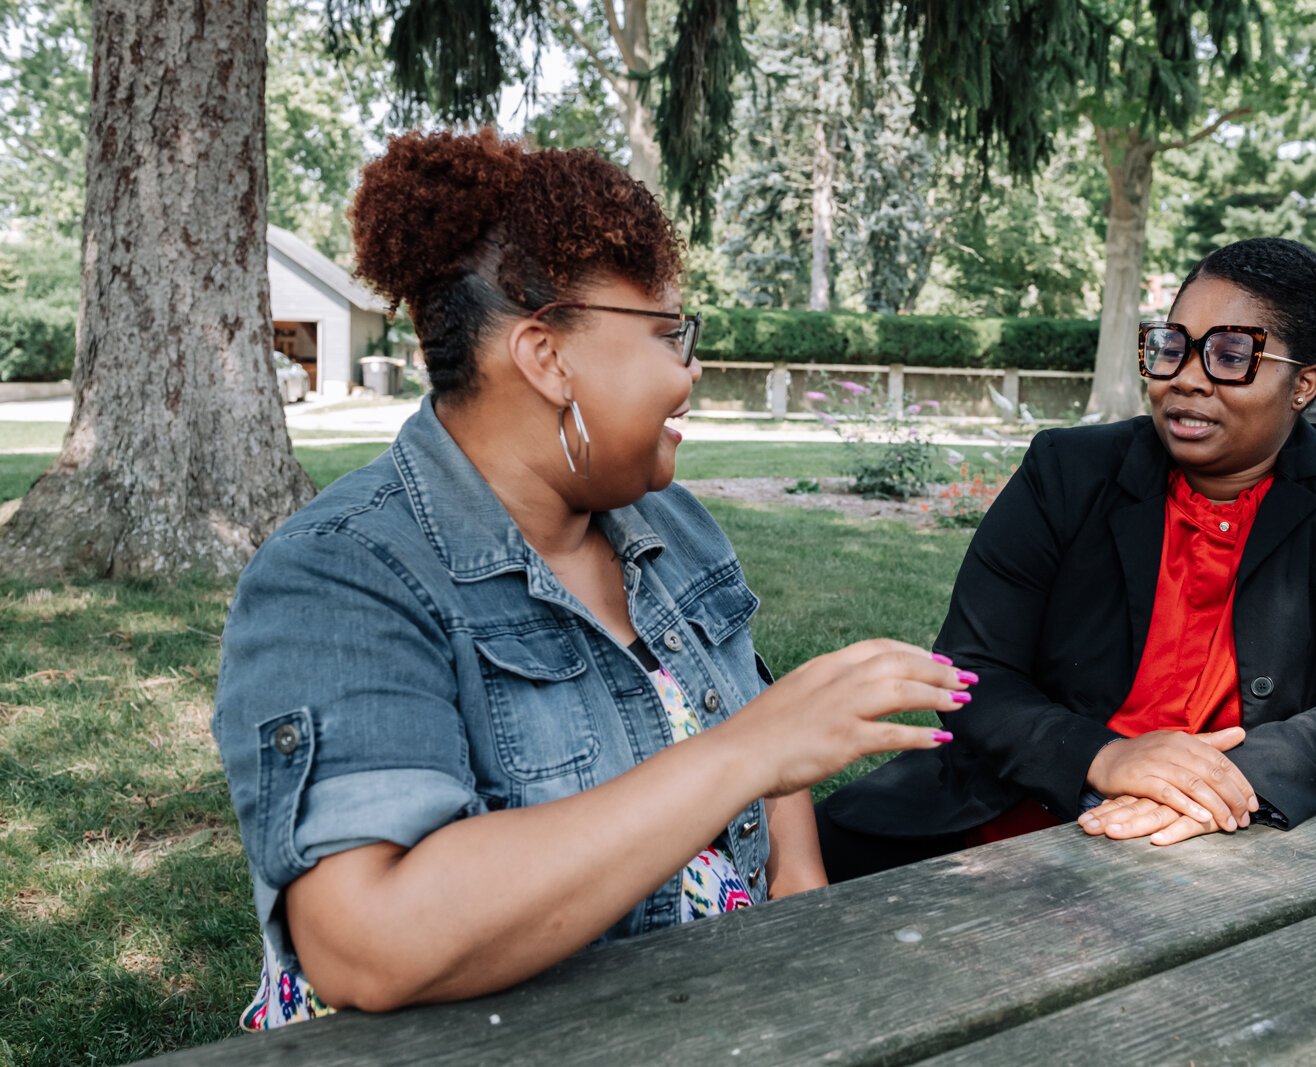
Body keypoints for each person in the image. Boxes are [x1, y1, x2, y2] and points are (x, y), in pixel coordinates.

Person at [212, 129, 977, 1029]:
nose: (690, 368)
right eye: (668, 334)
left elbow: (761, 733)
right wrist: (745, 751)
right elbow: (363, 941)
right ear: (547, 357)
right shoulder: (345, 572)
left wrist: (797, 910)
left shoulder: (668, 523)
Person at [817, 237, 1316, 880]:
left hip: (1221, 846)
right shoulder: (1066, 472)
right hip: (1009, 816)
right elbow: (971, 672)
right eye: (1173, 345)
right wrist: (1106, 757)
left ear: (1303, 385)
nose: (1187, 377)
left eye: (1232, 355)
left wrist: (1219, 782)